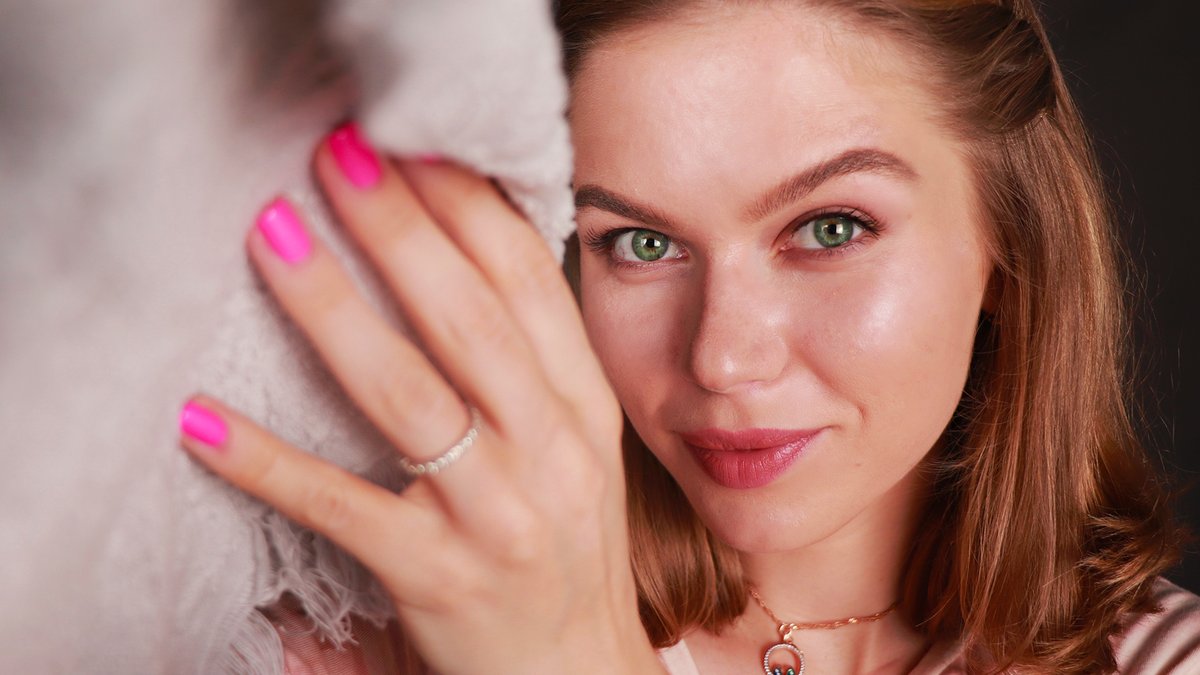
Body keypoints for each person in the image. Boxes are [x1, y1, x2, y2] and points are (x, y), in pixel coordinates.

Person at [176, 0, 1200, 672]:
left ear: (1007, 244)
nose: (722, 357)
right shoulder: (381, 640)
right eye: (641, 243)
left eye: (829, 229)